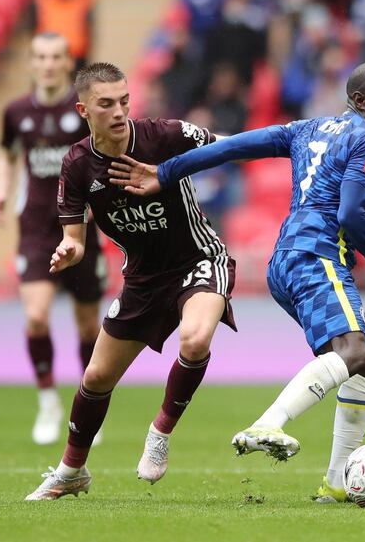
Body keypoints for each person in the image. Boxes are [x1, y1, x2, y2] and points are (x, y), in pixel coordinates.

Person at [108, 61, 365, 502]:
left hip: (285, 260)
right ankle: (269, 424)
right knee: (353, 352)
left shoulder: (307, 128)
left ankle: (336, 485)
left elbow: (235, 147)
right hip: (317, 257)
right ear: (359, 102)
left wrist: (166, 172)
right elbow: (351, 215)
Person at [25, 62, 237, 500]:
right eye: (106, 104)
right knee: (97, 376)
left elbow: (230, 147)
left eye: (124, 100)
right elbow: (75, 238)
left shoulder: (165, 136)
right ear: (84, 109)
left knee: (195, 340)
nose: (119, 112)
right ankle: (71, 471)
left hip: (200, 259)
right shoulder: (78, 165)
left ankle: (160, 431)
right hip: (142, 279)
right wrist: (70, 250)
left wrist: (293, 142)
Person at [0, 33, 105, 446]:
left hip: (82, 227)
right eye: (40, 57)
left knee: (89, 324)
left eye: (56, 56)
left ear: (68, 60)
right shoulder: (16, 111)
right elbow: (6, 153)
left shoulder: (86, 110)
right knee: (36, 316)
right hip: (37, 228)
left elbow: (106, 152)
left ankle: (88, 404)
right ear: (31, 62)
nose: (49, 64)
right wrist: (1, 192)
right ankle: (48, 402)